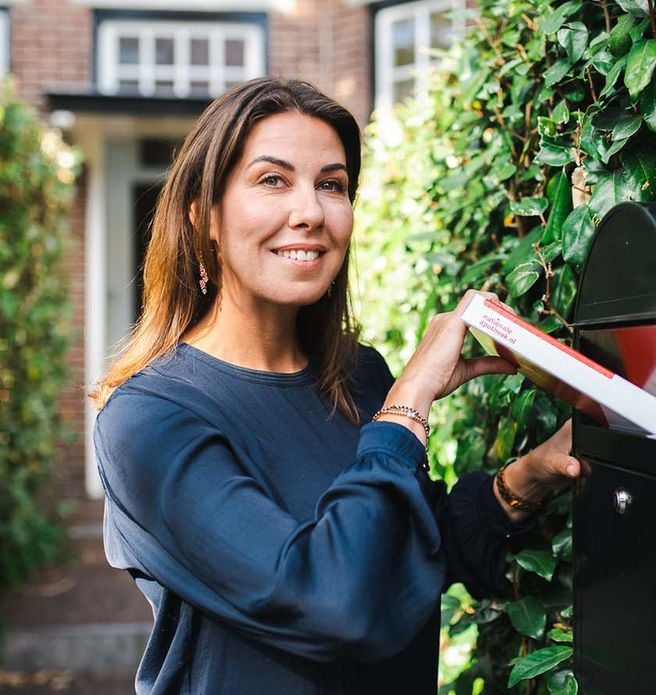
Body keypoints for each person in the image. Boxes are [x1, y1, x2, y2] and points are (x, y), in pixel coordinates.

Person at [90, 76, 580, 695]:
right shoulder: (149, 419)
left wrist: (527, 477)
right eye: (273, 180)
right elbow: (329, 603)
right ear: (202, 215)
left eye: (332, 185)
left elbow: (404, 553)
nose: (311, 212)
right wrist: (406, 408)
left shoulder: (357, 375)